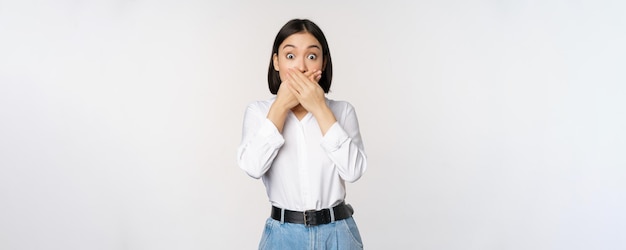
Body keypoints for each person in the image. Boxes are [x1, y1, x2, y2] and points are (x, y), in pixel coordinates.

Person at [237, 18, 367, 250]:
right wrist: (280, 106)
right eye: (290, 56)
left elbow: (353, 170)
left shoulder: (342, 111)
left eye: (311, 56)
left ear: (323, 63)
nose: (301, 67)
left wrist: (319, 108)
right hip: (282, 235)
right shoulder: (258, 112)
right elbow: (252, 167)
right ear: (276, 62)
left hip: (337, 233)